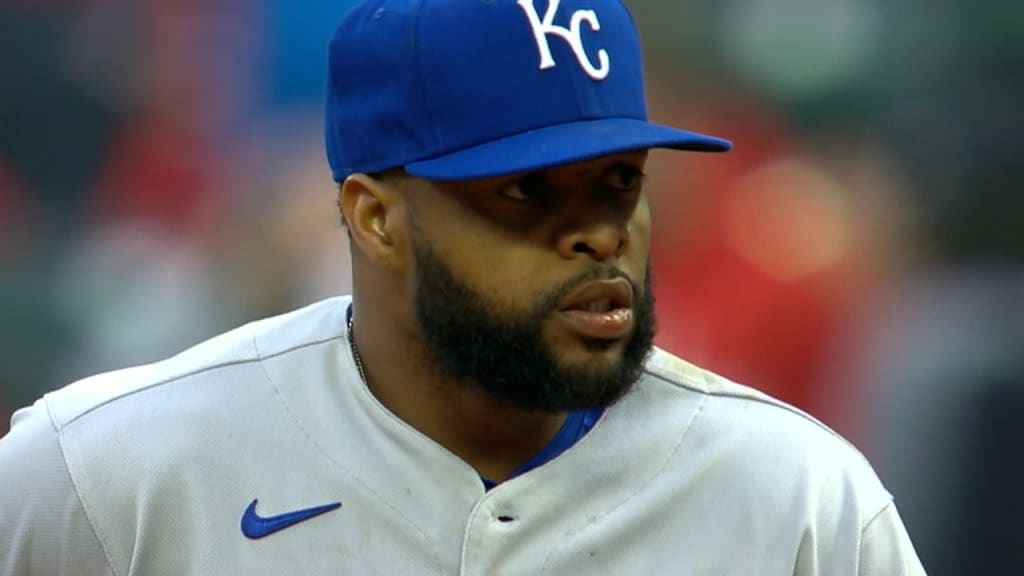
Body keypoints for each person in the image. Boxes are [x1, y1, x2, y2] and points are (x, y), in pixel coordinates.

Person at [0, 0, 926, 574]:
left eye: (620, 181)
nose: (599, 232)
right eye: (525, 190)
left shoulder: (799, 496)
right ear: (374, 219)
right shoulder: (103, 473)